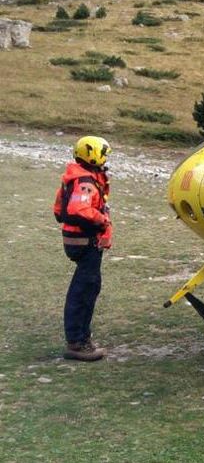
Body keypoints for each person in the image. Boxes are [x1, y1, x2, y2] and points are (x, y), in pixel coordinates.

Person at [53, 136, 113, 361]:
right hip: (85, 243)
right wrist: (102, 221)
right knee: (84, 290)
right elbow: (78, 208)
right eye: (104, 154)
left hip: (78, 241)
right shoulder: (85, 182)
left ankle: (81, 338)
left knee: (89, 286)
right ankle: (77, 342)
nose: (106, 158)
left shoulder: (76, 176)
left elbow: (59, 210)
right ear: (93, 154)